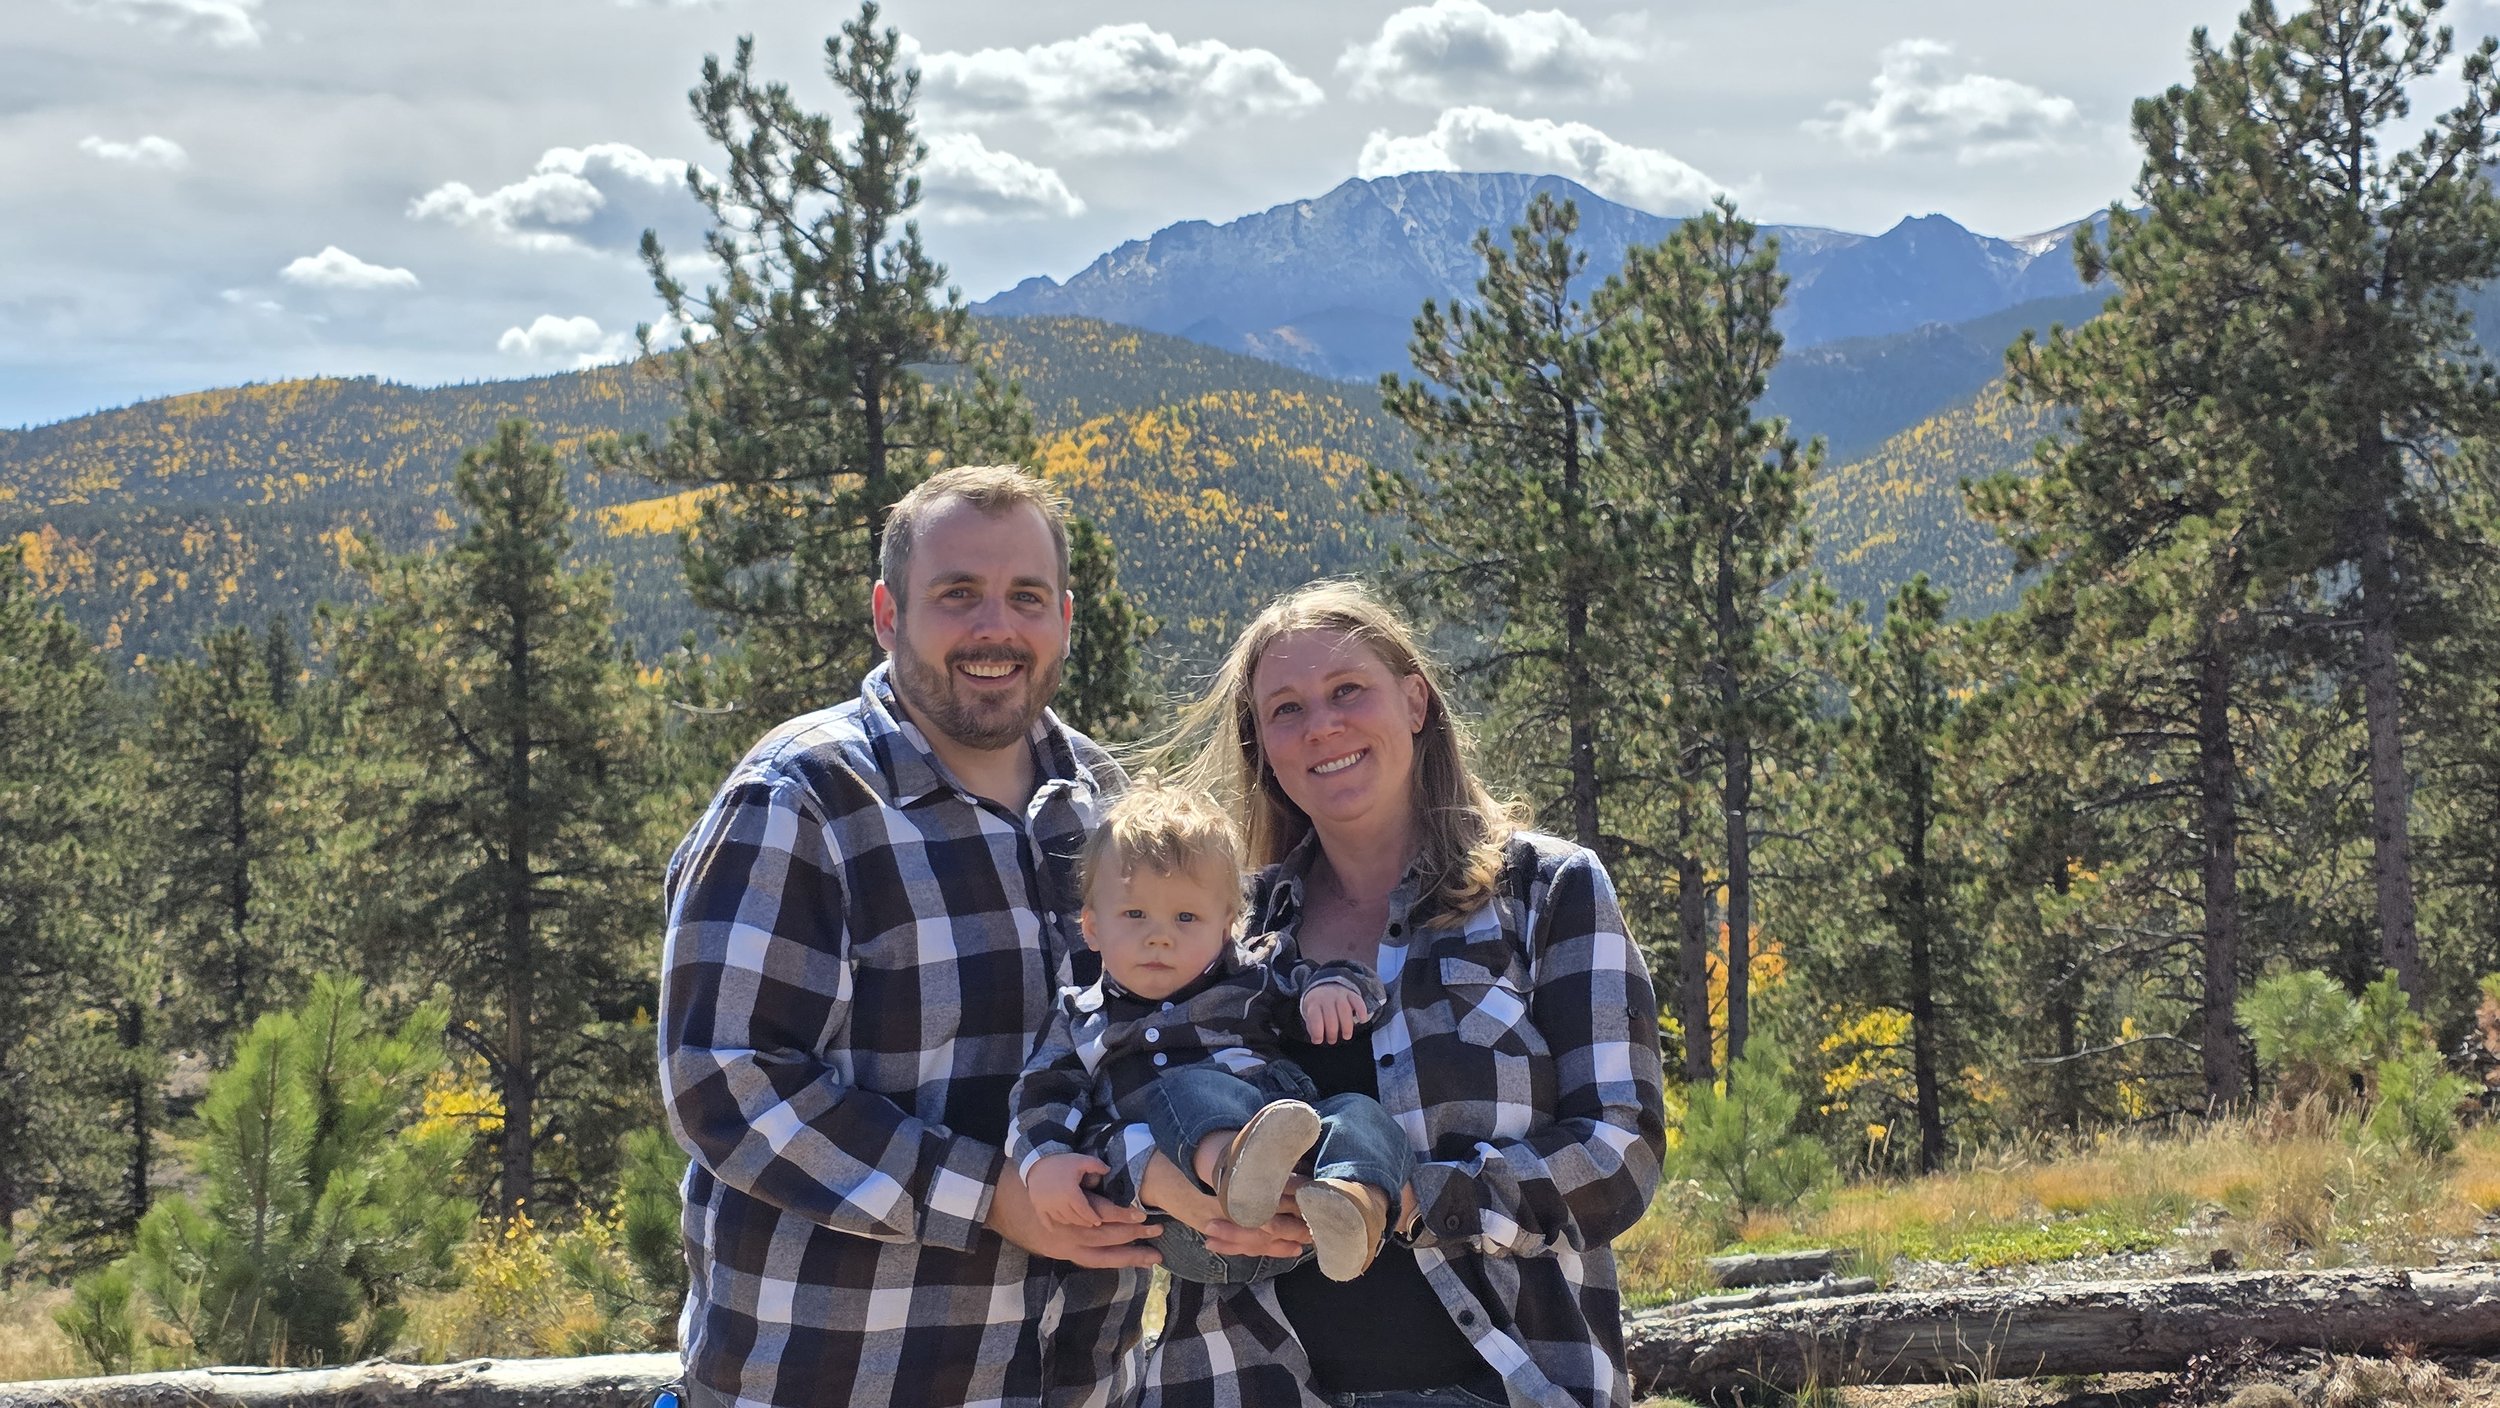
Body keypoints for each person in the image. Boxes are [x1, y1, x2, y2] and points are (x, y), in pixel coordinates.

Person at [659, 466, 1265, 1408]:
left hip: (1080, 1376)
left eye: (1025, 597)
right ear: (887, 614)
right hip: (837, 1376)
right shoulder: (802, 799)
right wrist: (990, 1196)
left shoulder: (1105, 807)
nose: (996, 628)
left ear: (1063, 618)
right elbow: (724, 1078)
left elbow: (1167, 1018)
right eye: (957, 596)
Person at [1129, 579, 1668, 1408]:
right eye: (1286, 709)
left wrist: (1419, 1197)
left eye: (1348, 691)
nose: (1323, 725)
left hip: (1504, 1380)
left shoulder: (1546, 892)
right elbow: (1119, 1078)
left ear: (1415, 702)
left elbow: (1621, 1151)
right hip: (1241, 1378)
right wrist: (1167, 1181)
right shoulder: (1223, 930)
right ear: (1263, 747)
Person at [1009, 777, 1414, 1287]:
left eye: (1186, 917)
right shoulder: (1082, 1018)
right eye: (1134, 914)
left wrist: (1331, 989)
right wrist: (1042, 1162)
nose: (1159, 935)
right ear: (1092, 927)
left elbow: (1339, 977)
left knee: (1358, 1111)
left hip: (1296, 1197)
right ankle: (1230, 1166)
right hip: (1192, 1228)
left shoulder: (1254, 973)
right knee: (1181, 1088)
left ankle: (1354, 1204)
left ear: (1225, 928)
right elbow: (1040, 1095)